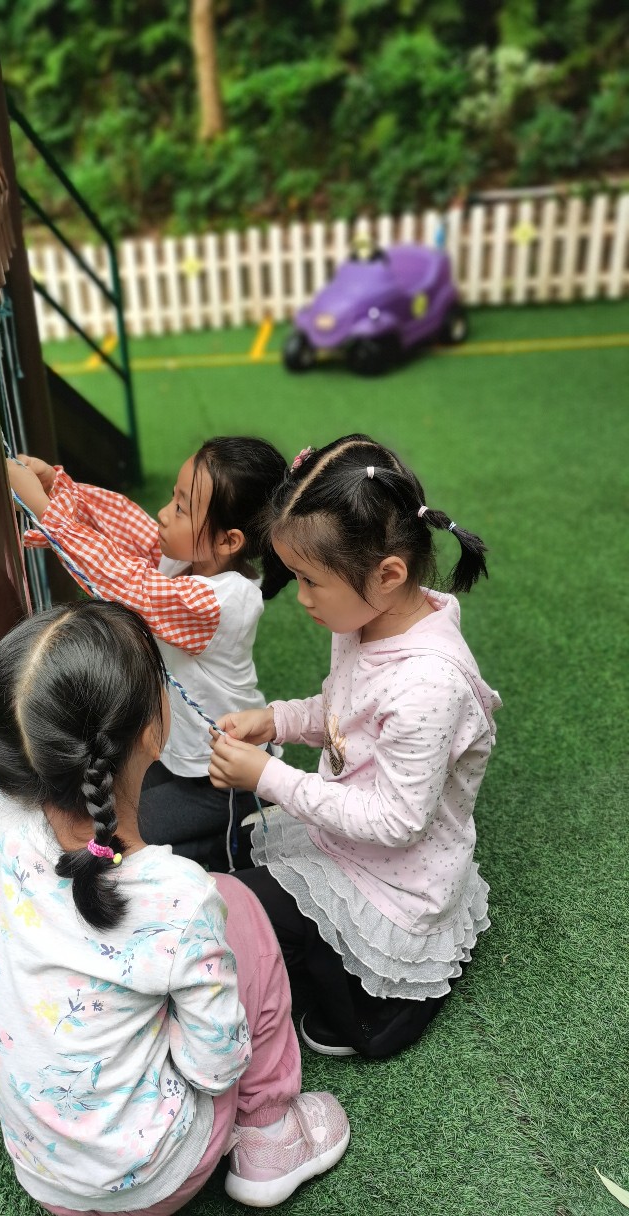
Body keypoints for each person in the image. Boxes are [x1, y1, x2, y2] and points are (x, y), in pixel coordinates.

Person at [0, 600, 350, 1214]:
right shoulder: (178, 895)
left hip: (47, 1178)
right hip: (156, 1176)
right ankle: (271, 1135)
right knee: (241, 905)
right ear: (153, 730)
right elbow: (214, 1067)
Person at [208, 434, 501, 1060]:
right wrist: (276, 722)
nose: (302, 598)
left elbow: (397, 822)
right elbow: (345, 711)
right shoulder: (365, 618)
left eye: (311, 581)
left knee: (243, 931)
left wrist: (269, 778)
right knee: (234, 912)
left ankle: (391, 998)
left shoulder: (429, 685)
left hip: (392, 883)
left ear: (388, 574)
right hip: (345, 839)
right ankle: (337, 964)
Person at [5, 438, 288, 870]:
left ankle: (230, 840)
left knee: (126, 840)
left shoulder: (223, 601)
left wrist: (47, 513)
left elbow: (129, 585)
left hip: (222, 776)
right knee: (113, 814)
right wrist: (60, 488)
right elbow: (125, 526)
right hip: (181, 756)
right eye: (174, 498)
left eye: (181, 508)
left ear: (228, 540)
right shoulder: (185, 559)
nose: (164, 513)